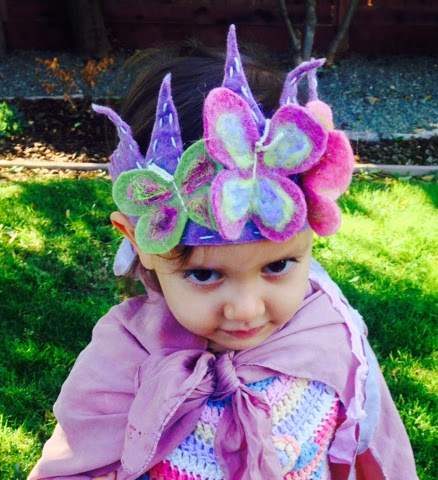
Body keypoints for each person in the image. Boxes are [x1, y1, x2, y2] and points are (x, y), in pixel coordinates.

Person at [28, 25, 417, 480]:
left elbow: (372, 444)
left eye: (277, 265)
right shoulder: (121, 361)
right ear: (140, 243)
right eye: (204, 275)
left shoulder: (330, 333)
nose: (246, 309)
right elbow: (76, 463)